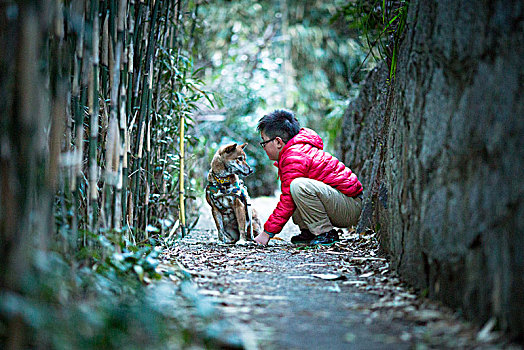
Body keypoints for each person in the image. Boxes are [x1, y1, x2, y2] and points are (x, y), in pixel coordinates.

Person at [253, 109, 363, 246]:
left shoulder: (294, 156)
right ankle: (309, 232)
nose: (263, 147)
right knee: (294, 190)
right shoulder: (296, 151)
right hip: (345, 203)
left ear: (278, 142)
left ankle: (325, 233)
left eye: (264, 142)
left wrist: (266, 233)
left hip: (351, 207)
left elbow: (286, 201)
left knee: (298, 186)